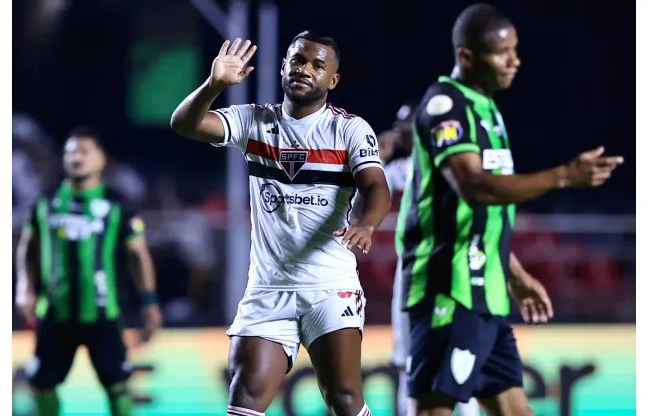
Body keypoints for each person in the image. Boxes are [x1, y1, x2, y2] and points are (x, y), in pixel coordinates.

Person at [395, 4, 624, 416]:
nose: (514, 60)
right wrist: (564, 176)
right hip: (449, 288)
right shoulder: (445, 105)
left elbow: (485, 217)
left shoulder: (489, 111)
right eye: (502, 52)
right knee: (432, 410)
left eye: (515, 50)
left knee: (517, 411)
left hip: (489, 293)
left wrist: (514, 275)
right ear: (466, 56)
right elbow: (475, 187)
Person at [170, 31, 391, 416]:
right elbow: (184, 124)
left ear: (332, 81)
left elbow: (376, 187)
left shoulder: (350, 129)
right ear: (283, 67)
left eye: (317, 65)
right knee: (245, 401)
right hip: (268, 289)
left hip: (329, 285)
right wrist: (213, 85)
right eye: (298, 60)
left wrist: (368, 224)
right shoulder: (255, 120)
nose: (305, 69)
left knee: (343, 399)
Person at [15, 127, 163, 416]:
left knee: (118, 385)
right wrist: (25, 287)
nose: (76, 157)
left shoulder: (117, 204)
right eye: (70, 152)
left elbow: (139, 255)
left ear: (101, 160)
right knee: (42, 384)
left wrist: (149, 302)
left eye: (84, 151)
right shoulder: (45, 202)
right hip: (54, 312)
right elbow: (27, 247)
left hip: (102, 313)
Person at [388, 102, 481, 416]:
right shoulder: (398, 169)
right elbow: (362, 188)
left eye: (409, 125)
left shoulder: (454, 167)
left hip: (451, 271)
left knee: (460, 355)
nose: (403, 131)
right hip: (411, 273)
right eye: (401, 126)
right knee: (407, 360)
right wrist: (374, 153)